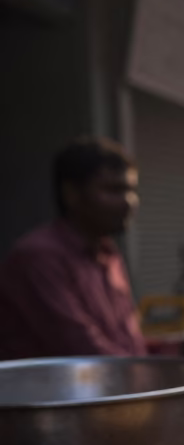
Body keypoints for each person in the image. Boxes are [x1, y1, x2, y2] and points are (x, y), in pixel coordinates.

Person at [0, 137, 146, 360]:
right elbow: (83, 349)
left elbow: (127, 336)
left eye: (131, 190)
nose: (129, 201)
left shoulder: (108, 252)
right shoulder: (38, 257)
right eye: (113, 190)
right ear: (72, 194)